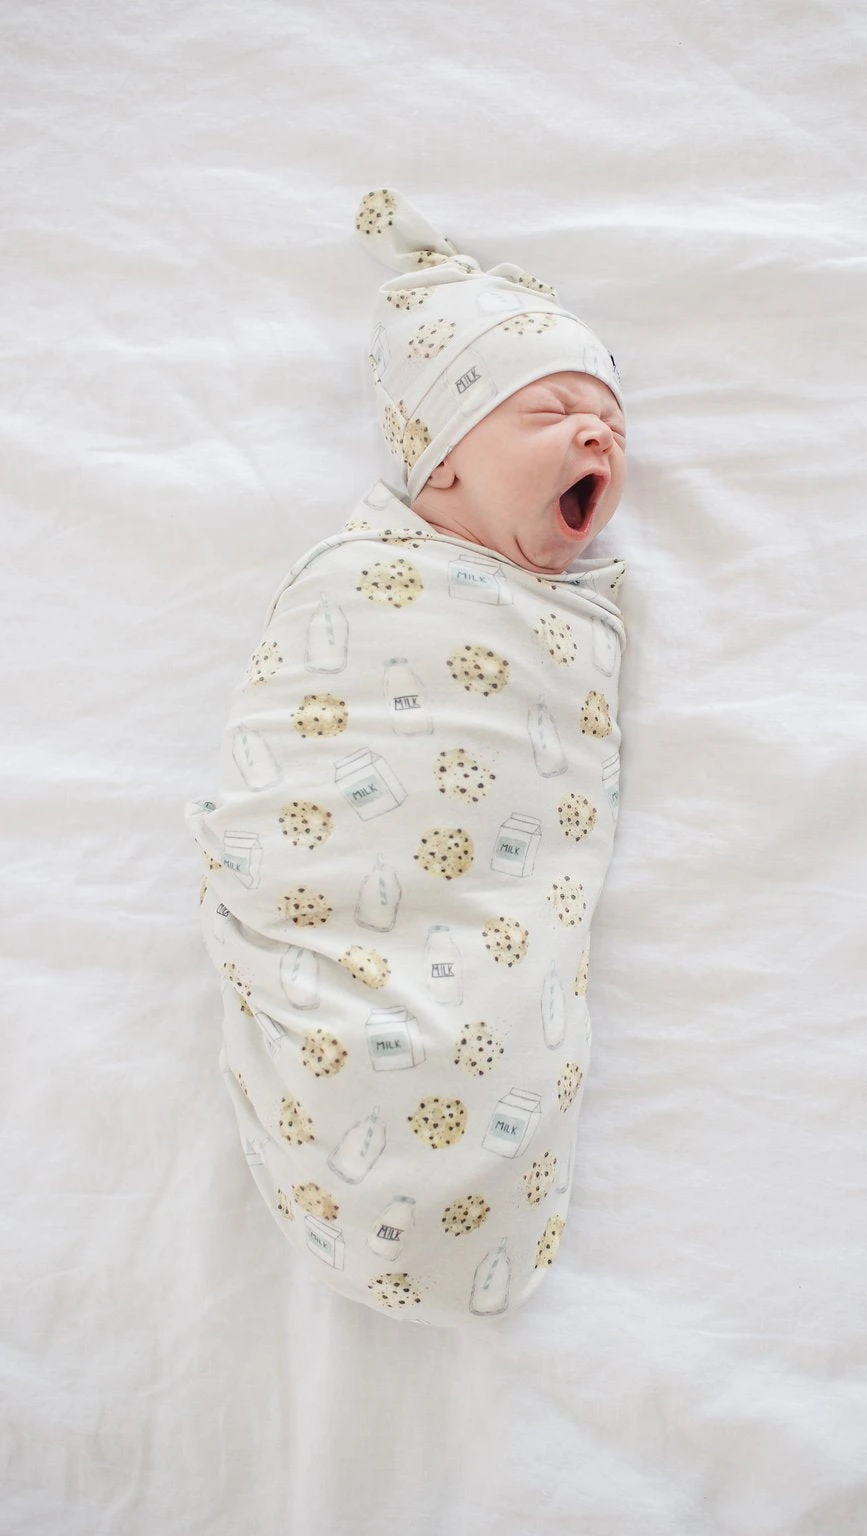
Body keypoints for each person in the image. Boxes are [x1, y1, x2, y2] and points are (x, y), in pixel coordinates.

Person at [185, 188, 629, 1326]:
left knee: (495, 1021)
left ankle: (457, 1202)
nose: (599, 435)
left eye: (612, 424)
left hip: (486, 936)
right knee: (366, 1033)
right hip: (346, 923)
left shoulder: (562, 618)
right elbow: (291, 763)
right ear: (440, 463)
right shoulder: (357, 582)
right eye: (553, 411)